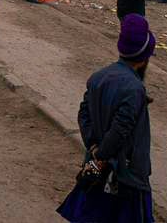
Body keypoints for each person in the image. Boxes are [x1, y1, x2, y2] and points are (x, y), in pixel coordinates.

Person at [57, 13, 156, 223]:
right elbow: (121, 130)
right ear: (144, 58)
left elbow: (84, 114)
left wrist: (93, 147)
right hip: (124, 173)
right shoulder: (135, 88)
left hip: (97, 169)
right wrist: (102, 154)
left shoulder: (99, 77)